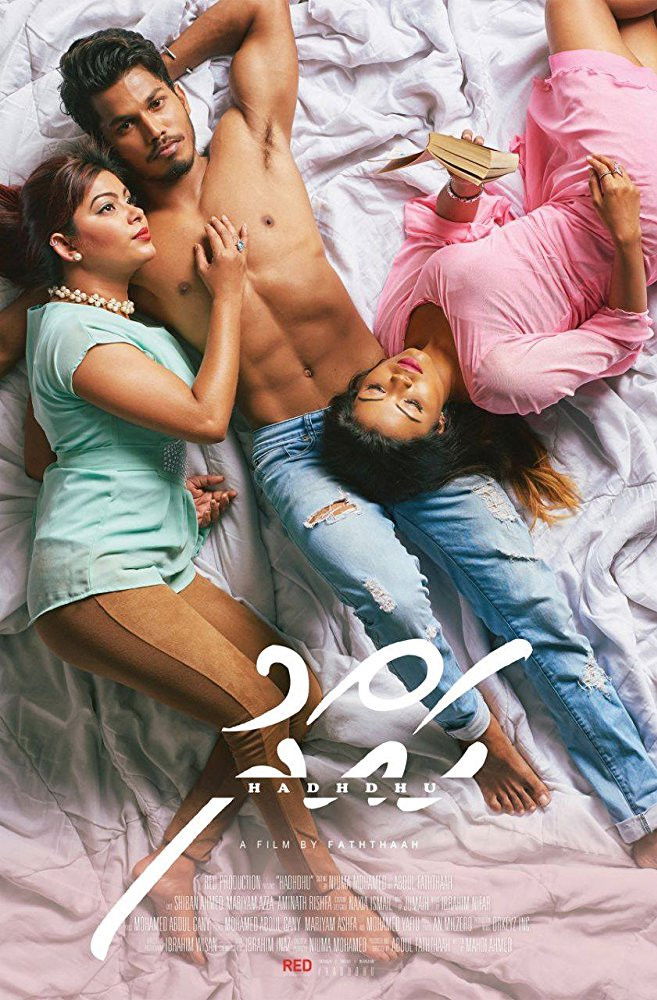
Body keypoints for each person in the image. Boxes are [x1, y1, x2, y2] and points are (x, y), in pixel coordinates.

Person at [1, 0, 656, 858]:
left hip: (388, 403)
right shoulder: (125, 243)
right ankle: (479, 731)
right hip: (290, 449)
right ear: (102, 143)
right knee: (386, 596)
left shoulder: (251, 140)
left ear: (175, 89)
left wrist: (165, 58)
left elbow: (260, 10)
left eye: (156, 102)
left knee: (529, 599)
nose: (154, 129)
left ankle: (642, 802)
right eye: (124, 124)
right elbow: (40, 323)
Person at [0, 143, 401, 965]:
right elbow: (205, 418)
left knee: (295, 690)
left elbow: (47, 459)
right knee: (256, 707)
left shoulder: (106, 325)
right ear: (67, 247)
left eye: (125, 197)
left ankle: (174, 867)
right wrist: (227, 294)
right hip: (93, 576)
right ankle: (324, 897)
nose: (130, 211)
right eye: (105, 208)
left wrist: (164, 497)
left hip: (151, 558)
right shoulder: (70, 328)